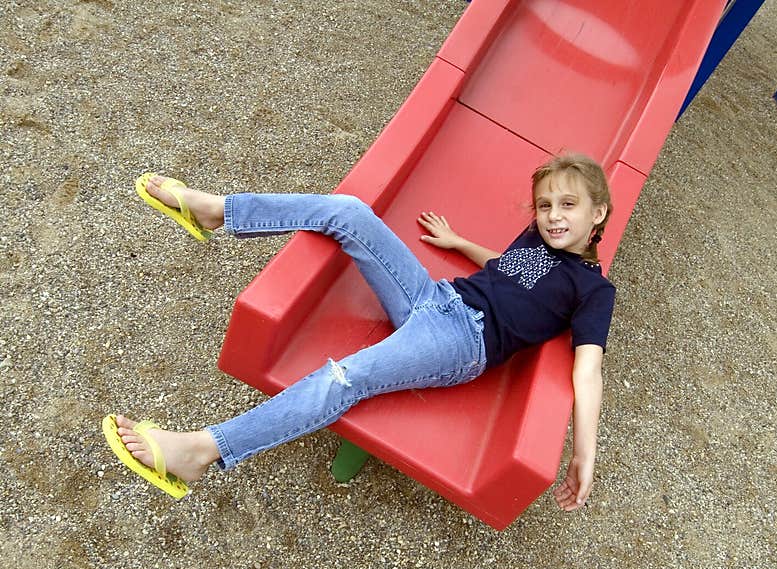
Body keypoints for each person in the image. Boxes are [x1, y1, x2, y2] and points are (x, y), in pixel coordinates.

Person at [105, 152, 615, 512]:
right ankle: (219, 211)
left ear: (598, 214)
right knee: (348, 212)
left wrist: (582, 453)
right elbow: (508, 271)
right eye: (545, 205)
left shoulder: (592, 291)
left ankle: (201, 451)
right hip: (436, 297)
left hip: (462, 343)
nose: (552, 215)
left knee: (343, 378)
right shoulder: (536, 238)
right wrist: (459, 242)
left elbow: (587, 371)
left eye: (568, 205)